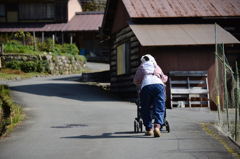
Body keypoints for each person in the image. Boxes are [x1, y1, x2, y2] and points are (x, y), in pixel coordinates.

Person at [133, 54, 168, 137]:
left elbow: (136, 80)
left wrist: (140, 84)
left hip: (146, 86)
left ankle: (149, 129)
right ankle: (157, 127)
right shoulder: (156, 66)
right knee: (159, 107)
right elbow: (163, 78)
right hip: (159, 86)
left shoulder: (141, 67)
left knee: (145, 107)